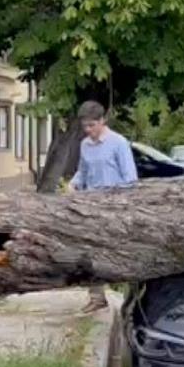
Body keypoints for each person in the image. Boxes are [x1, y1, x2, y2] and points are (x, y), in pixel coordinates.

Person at [70, 100, 138, 313]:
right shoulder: (85, 145)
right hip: (91, 205)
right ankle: (97, 297)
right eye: (85, 126)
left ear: (102, 121)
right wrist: (73, 185)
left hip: (115, 206)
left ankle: (131, 299)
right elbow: (82, 172)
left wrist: (122, 205)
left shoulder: (118, 143)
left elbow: (130, 178)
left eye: (92, 125)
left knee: (120, 254)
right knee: (89, 253)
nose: (88, 130)